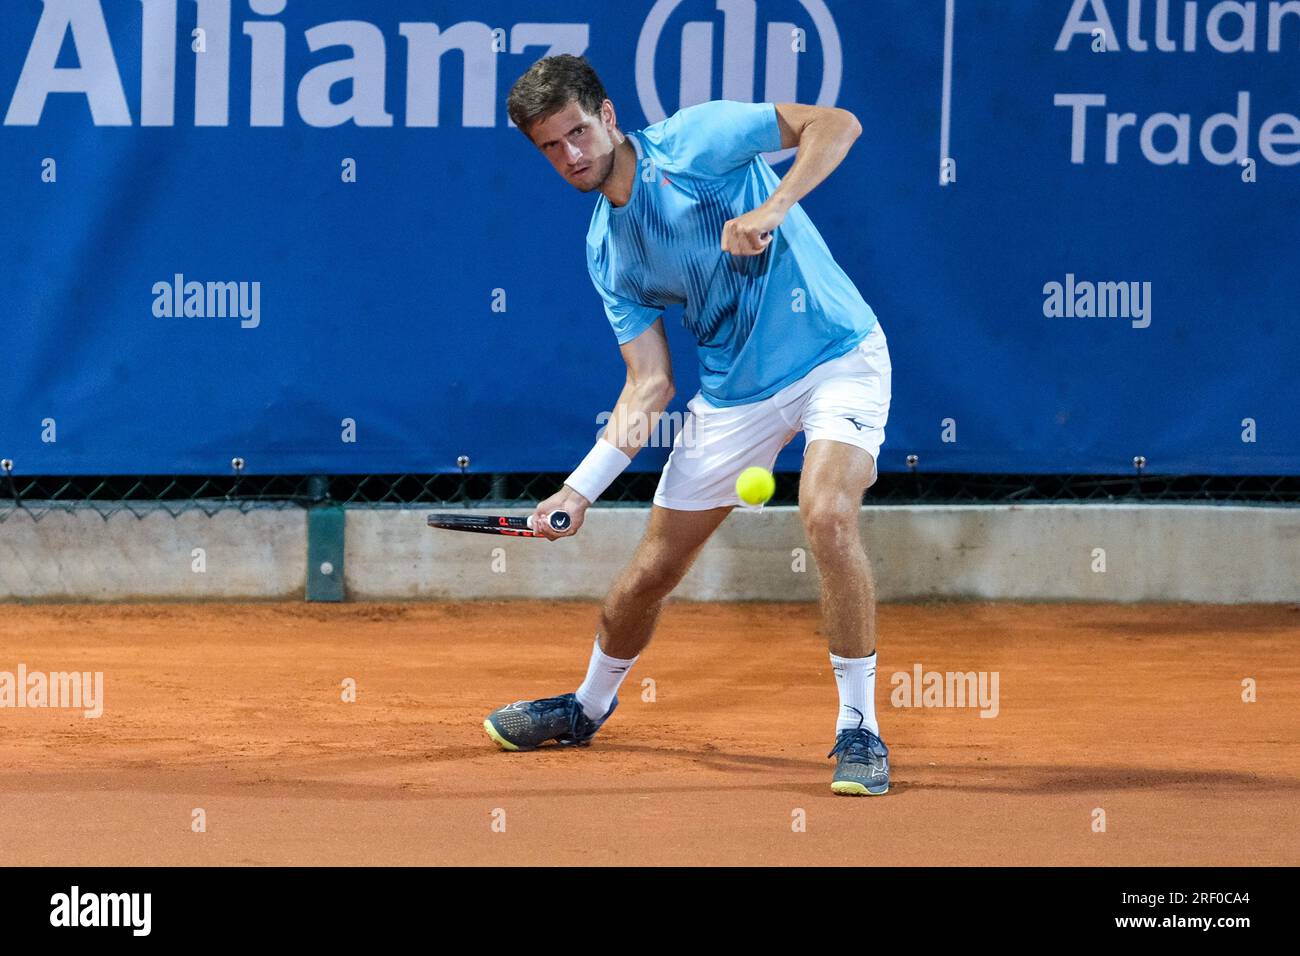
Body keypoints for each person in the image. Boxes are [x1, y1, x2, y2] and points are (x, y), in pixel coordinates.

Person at [485, 55, 892, 795]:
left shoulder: (696, 140)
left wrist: (773, 209)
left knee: (827, 516)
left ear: (607, 115)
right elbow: (649, 386)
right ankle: (585, 708)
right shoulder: (606, 251)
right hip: (733, 399)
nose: (571, 155)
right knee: (648, 576)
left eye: (578, 132)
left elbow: (837, 124)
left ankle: (858, 728)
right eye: (550, 146)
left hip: (837, 354)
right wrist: (578, 492)